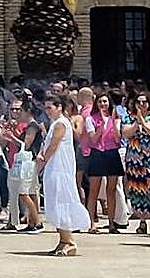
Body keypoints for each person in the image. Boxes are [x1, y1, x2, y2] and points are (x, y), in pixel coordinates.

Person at [38, 93, 91, 256]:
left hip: (60, 169)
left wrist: (43, 160)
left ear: (59, 107)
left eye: (50, 107)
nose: (47, 111)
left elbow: (53, 146)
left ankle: (69, 241)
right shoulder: (55, 123)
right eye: (46, 107)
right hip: (55, 169)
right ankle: (63, 240)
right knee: (55, 202)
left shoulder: (61, 123)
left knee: (63, 201)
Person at [120, 91, 150, 235]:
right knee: (137, 189)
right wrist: (138, 121)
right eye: (139, 102)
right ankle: (142, 221)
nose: (142, 104)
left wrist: (144, 122)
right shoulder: (128, 117)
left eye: (144, 102)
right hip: (134, 158)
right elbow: (125, 133)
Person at [83, 91, 122, 233]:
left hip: (112, 153)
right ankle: (91, 223)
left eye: (105, 102)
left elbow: (118, 139)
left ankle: (112, 223)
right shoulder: (90, 119)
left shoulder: (116, 118)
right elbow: (92, 138)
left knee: (111, 190)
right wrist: (101, 127)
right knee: (94, 190)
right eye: (100, 102)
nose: (103, 104)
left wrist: (115, 125)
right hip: (97, 153)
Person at [2, 99, 42, 232]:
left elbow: (26, 145)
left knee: (23, 193)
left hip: (29, 162)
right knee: (30, 192)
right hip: (29, 162)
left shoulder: (32, 126)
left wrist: (12, 137)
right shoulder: (29, 126)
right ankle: (32, 222)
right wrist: (13, 132)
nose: (19, 114)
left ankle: (36, 221)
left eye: (21, 111)